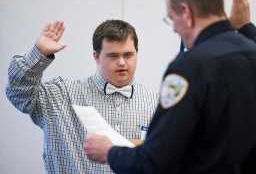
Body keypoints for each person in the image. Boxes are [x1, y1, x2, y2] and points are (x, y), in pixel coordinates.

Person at [83, 0, 256, 174]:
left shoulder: (189, 66)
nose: (175, 28)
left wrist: (109, 152)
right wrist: (246, 27)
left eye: (171, 18)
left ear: (186, 13)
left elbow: (155, 162)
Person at [6, 19, 158, 174]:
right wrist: (38, 53)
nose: (121, 62)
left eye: (128, 55)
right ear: (96, 57)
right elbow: (18, 93)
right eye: (113, 56)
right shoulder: (59, 95)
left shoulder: (156, 104)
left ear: (137, 54)